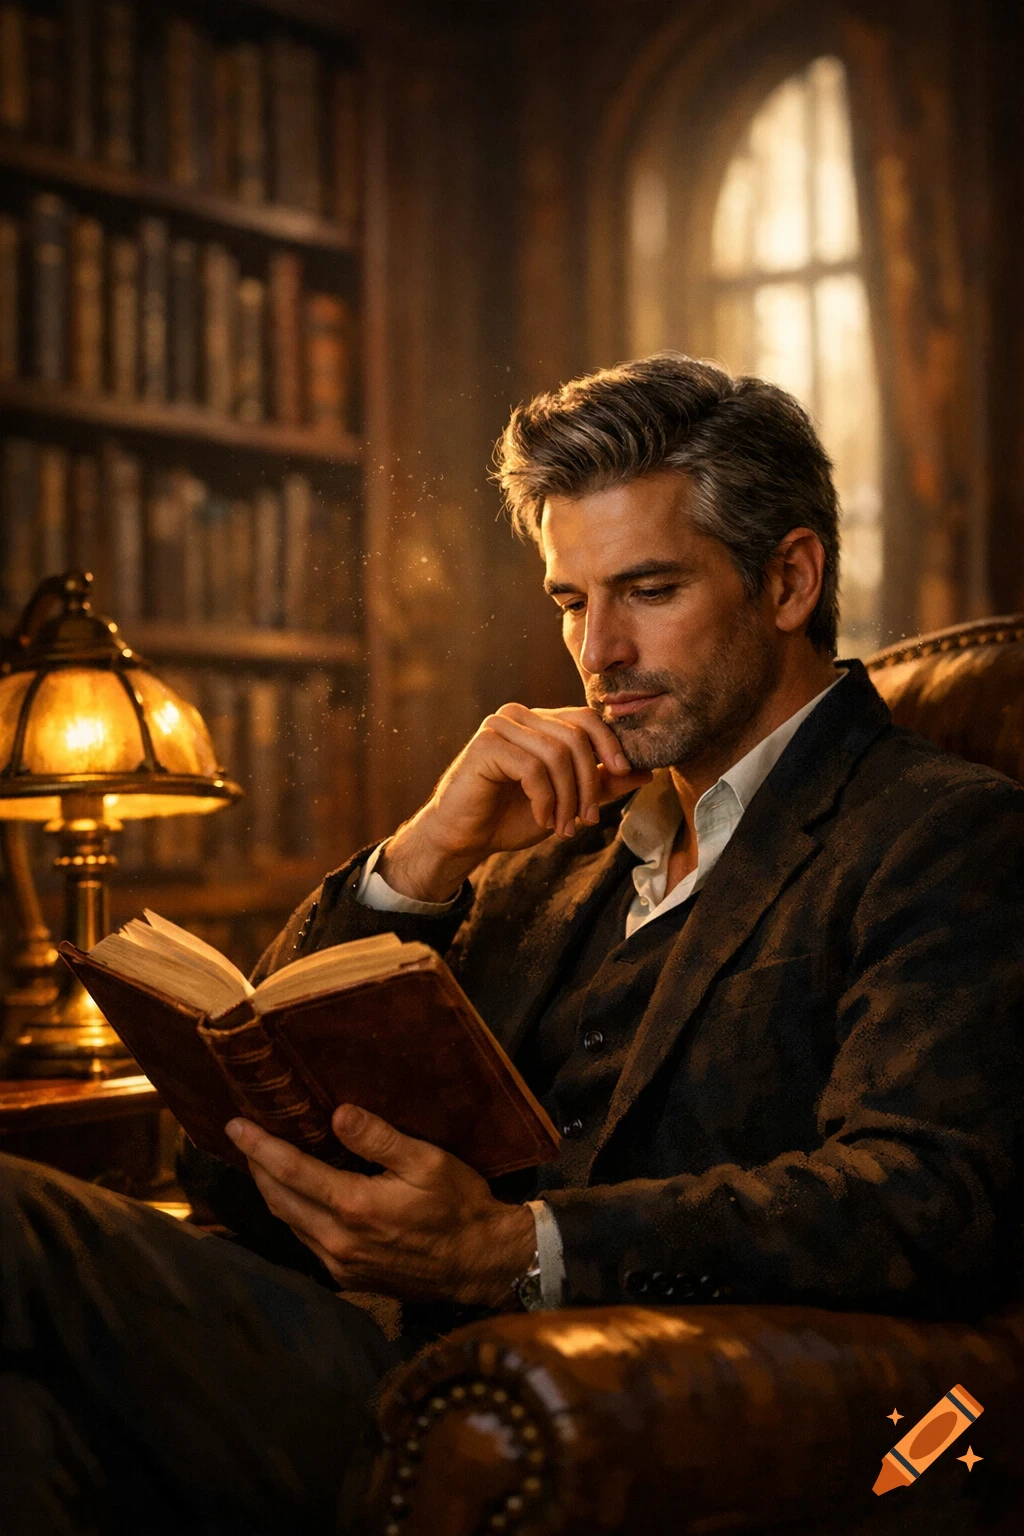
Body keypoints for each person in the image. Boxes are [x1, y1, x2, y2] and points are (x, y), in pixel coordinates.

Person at [3, 353, 1022, 1534]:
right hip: (370, 1360)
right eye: (569, 602)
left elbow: (926, 1198)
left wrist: (515, 1251)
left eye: (647, 590)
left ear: (789, 579)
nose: (598, 653)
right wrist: (422, 859)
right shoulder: (548, 850)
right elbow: (227, 1168)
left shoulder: (944, 832)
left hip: (595, 1403)